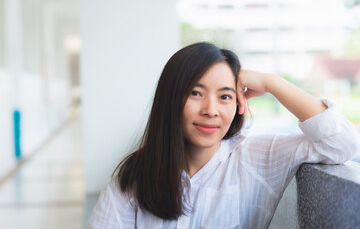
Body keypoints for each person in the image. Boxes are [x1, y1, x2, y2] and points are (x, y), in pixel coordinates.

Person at [88, 42, 360, 229]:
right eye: (196, 93)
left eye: (225, 96)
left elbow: (343, 143)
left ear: (238, 104)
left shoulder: (256, 157)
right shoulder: (131, 180)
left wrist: (271, 83)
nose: (211, 110)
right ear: (170, 99)